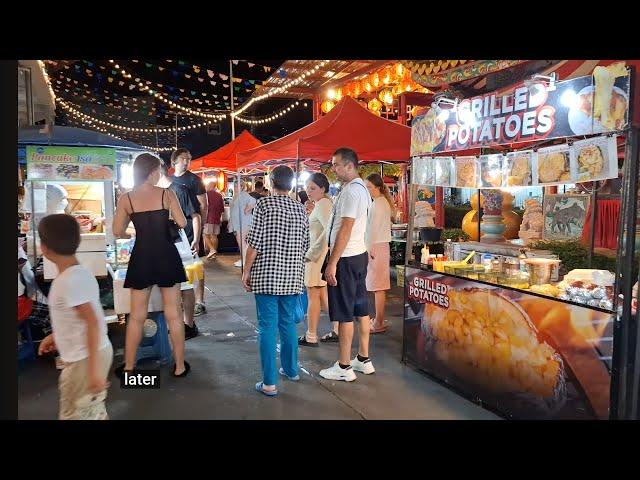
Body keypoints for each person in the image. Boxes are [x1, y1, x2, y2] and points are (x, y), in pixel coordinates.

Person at [112, 153, 190, 378]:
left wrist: (136, 226)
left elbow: (117, 231)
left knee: (136, 316)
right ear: (153, 171)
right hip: (167, 255)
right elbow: (183, 223)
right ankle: (179, 366)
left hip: (142, 257)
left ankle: (128, 367)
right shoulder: (167, 194)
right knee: (174, 314)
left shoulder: (126, 198)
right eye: (160, 170)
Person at [36, 214, 113, 419]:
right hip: (94, 352)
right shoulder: (80, 273)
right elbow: (81, 317)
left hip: (84, 360)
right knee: (92, 410)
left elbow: (92, 323)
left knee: (75, 413)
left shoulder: (67, 281)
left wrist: (94, 371)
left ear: (44, 247)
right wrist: (55, 336)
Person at [242, 165, 309, 396]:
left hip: (267, 276)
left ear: (271, 182)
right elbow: (305, 245)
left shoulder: (263, 204)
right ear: (291, 184)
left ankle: (269, 383)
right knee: (288, 323)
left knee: (267, 327)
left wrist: (245, 270)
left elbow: (255, 242)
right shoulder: (301, 209)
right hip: (292, 276)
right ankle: (291, 370)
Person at [319, 147, 373, 382]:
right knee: (361, 309)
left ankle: (344, 366)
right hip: (358, 254)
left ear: (349, 165)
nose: (333, 169)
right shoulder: (361, 189)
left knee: (344, 313)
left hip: (347, 258)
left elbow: (346, 228)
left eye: (336, 165)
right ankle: (363, 359)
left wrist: (332, 263)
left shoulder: (352, 191)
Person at [157, 162, 200, 340]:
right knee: (172, 286)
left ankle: (188, 325)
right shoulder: (153, 192)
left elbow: (194, 216)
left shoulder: (180, 190)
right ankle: (179, 323)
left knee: (186, 285)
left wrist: (196, 240)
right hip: (162, 243)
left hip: (179, 242)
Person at [298, 173, 339, 347]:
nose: (309, 191)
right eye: (307, 188)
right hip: (319, 255)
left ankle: (311, 335)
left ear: (323, 188)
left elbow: (328, 232)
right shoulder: (323, 204)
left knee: (313, 294)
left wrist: (312, 253)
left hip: (316, 257)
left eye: (313, 188)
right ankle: (337, 329)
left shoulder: (323, 204)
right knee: (322, 296)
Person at [170, 148, 208, 317]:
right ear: (174, 161)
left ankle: (200, 300)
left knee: (195, 264)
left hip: (192, 225)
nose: (186, 161)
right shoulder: (169, 181)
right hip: (174, 228)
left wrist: (200, 228)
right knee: (179, 265)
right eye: (184, 158)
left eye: (189, 158)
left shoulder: (194, 180)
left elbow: (203, 205)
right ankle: (182, 298)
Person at [364, 173, 394, 334]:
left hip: (377, 246)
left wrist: (369, 250)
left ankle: (378, 323)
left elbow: (372, 231)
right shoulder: (381, 202)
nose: (367, 190)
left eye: (369, 187)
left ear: (377, 188)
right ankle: (378, 320)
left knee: (378, 287)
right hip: (380, 246)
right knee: (379, 286)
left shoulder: (378, 204)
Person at [229, 181, 256, 268]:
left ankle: (245, 260)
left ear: (242, 186)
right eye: (235, 186)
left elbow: (253, 201)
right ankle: (244, 259)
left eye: (237, 186)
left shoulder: (244, 194)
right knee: (242, 242)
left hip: (244, 222)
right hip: (238, 222)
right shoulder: (236, 196)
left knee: (242, 242)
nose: (236, 188)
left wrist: (247, 209)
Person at [203, 181, 225, 260]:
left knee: (205, 234)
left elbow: (203, 206)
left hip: (207, 218)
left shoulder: (206, 194)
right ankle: (213, 254)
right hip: (217, 218)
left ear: (210, 186)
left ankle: (212, 250)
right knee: (214, 236)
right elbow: (222, 209)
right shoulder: (219, 195)